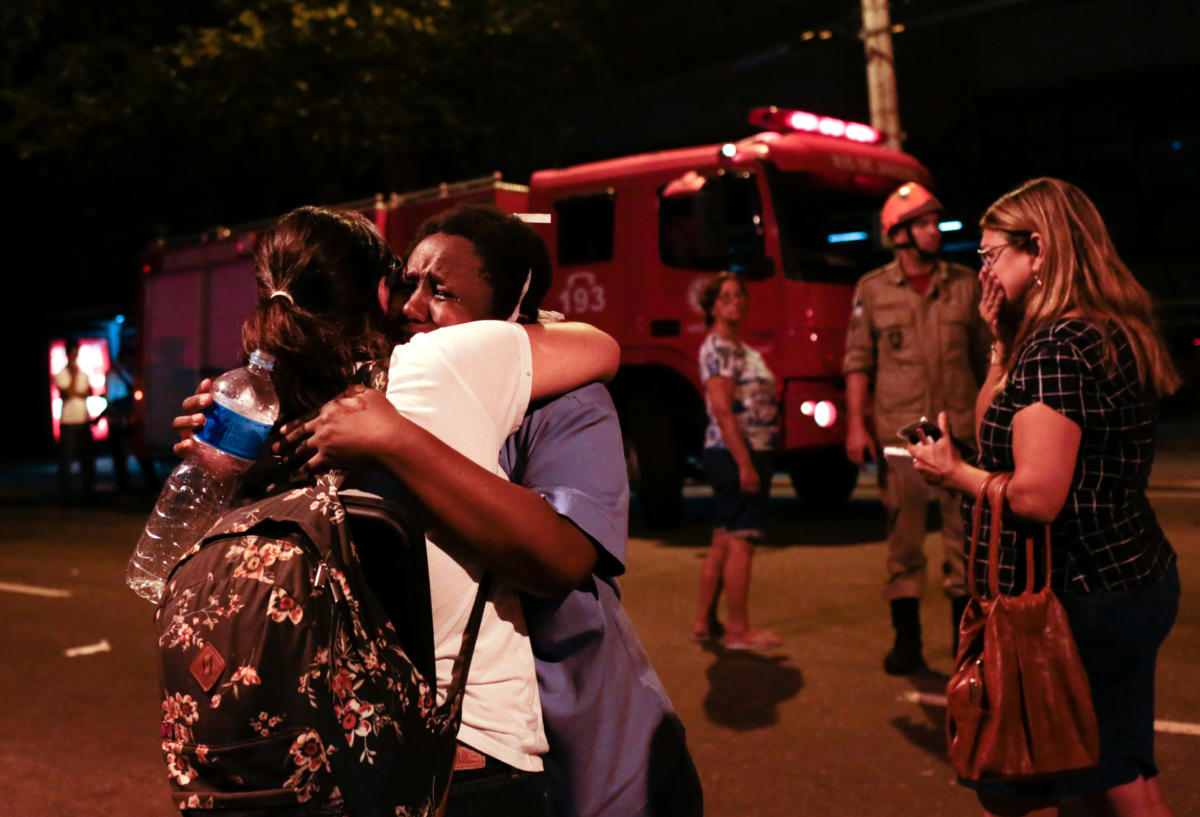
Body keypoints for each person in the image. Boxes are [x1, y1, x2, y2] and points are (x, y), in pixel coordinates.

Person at [182, 204, 702, 817]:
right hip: (412, 742)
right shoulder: (366, 393)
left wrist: (397, 441)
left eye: (442, 290)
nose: (413, 305)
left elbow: (560, 559)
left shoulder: (565, 405)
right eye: (408, 283)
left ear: (514, 312)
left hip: (571, 726)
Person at [909, 178, 1181, 817]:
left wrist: (952, 473)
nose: (983, 270)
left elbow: (1033, 496)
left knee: (1086, 772)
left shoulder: (1060, 348)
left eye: (990, 254)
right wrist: (1000, 341)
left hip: (1085, 593)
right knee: (1092, 767)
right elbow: (990, 431)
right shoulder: (1101, 329)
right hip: (1132, 574)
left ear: (1037, 248)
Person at [842, 181, 992, 674]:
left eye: (935, 222)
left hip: (960, 435)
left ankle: (963, 645)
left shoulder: (965, 284)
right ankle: (906, 642)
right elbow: (859, 361)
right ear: (899, 233)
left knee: (964, 544)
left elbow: (985, 357)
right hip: (901, 437)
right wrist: (855, 427)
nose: (935, 231)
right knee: (903, 542)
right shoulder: (873, 289)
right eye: (924, 223)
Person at [691, 272, 781, 652]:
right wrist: (745, 463)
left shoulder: (736, 348)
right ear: (712, 306)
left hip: (740, 450)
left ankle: (704, 620)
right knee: (743, 541)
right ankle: (738, 629)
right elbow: (723, 411)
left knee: (724, 538)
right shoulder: (720, 349)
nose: (736, 301)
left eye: (740, 295)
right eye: (726, 296)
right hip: (737, 452)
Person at [55, 337, 96, 504]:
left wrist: (76, 391)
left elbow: (88, 392)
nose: (74, 356)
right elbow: (67, 392)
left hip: (83, 420)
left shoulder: (83, 373)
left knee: (87, 459)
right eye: (72, 352)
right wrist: (73, 376)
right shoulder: (62, 373)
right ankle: (65, 494)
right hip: (68, 421)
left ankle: (88, 493)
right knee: (66, 459)